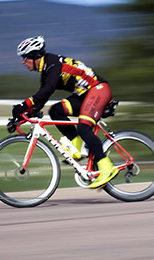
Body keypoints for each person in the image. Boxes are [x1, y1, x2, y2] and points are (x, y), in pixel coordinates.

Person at [12, 35, 119, 188]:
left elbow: (48, 89)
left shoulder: (53, 64)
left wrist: (24, 104)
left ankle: (106, 168)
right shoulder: (46, 69)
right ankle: (79, 147)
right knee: (56, 111)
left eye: (24, 57)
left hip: (97, 90)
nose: (23, 61)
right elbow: (41, 99)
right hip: (84, 94)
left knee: (83, 127)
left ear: (35, 56)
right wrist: (23, 116)